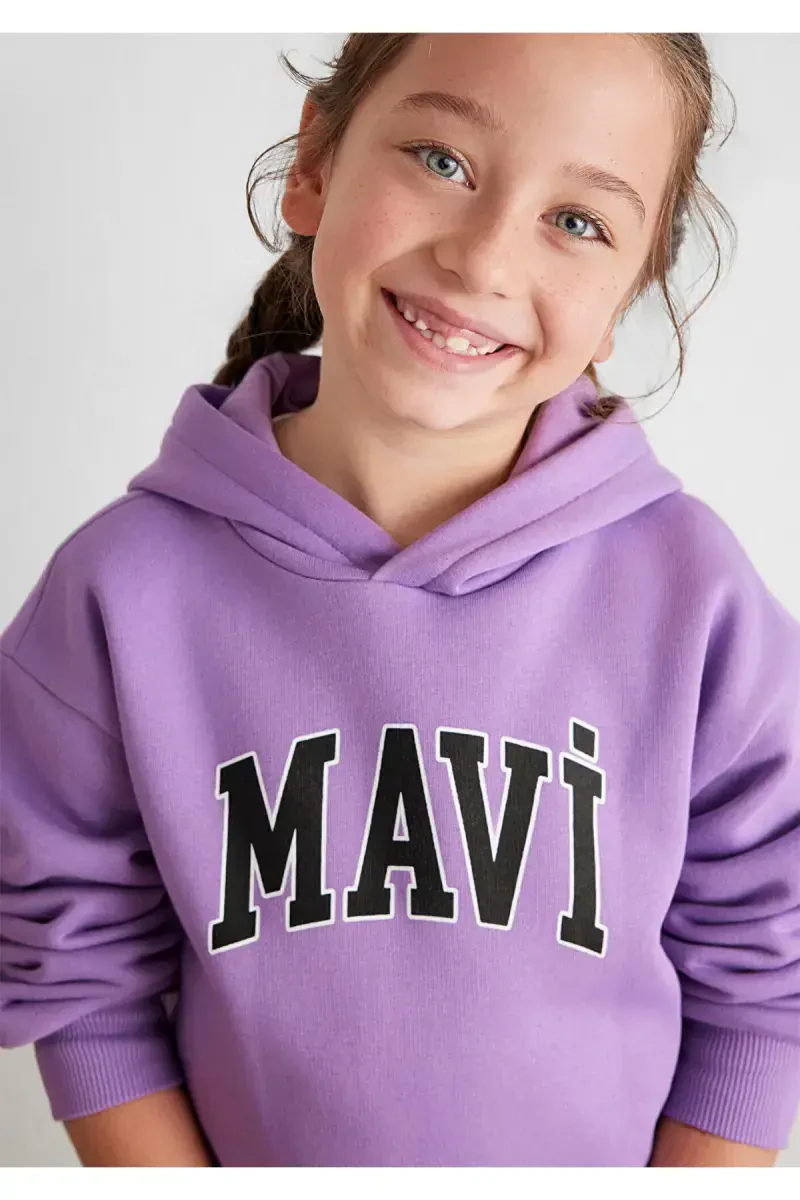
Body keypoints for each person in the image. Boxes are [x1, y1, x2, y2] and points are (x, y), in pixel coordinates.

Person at [1, 32, 798, 1169]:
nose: (482, 259)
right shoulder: (121, 592)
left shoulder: (693, 597)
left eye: (577, 221)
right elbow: (81, 978)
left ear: (628, 291)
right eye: (441, 160)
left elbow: (768, 978)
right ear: (315, 164)